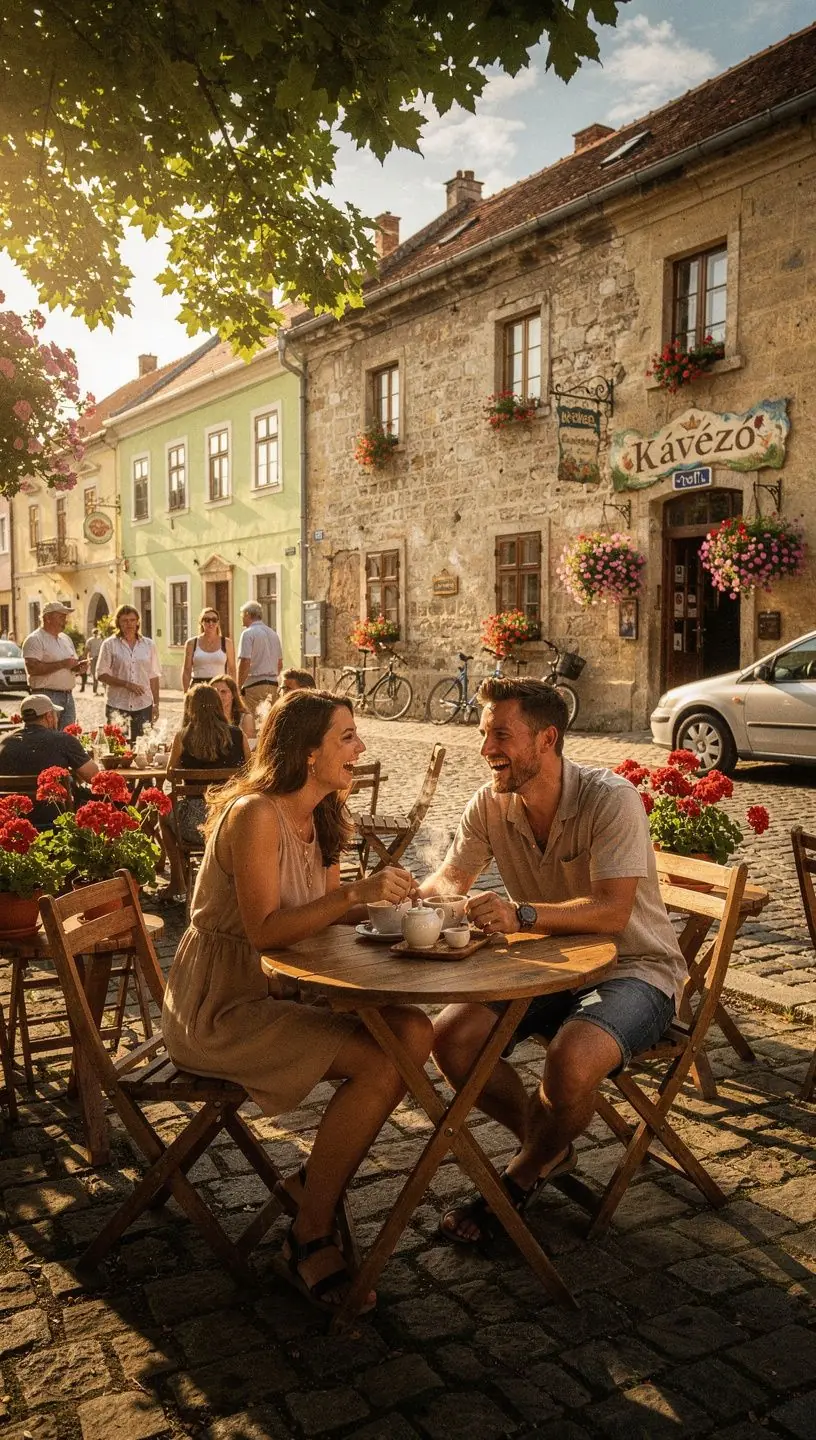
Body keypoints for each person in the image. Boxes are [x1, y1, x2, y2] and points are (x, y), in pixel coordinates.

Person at [161, 690, 432, 1311]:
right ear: (309, 753)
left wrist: (390, 906)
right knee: (378, 1059)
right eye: (348, 737)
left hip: (282, 987)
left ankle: (312, 1183)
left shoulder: (325, 814)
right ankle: (308, 1233)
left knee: (414, 1031)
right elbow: (265, 930)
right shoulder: (256, 813)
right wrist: (352, 896)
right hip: (220, 1005)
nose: (361, 748)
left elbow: (326, 924)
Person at [421, 677, 685, 1245]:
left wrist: (523, 916)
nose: (486, 747)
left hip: (635, 969)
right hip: (547, 966)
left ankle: (521, 1172)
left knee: (568, 1063)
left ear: (547, 739)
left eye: (500, 734)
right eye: (483, 731)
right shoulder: (489, 803)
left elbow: (613, 912)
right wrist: (408, 903)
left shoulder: (609, 798)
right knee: (449, 1038)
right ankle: (547, 1143)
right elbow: (450, 877)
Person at [162, 686, 250, 893]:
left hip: (192, 826)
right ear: (219, 706)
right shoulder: (237, 735)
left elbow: (170, 775)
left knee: (163, 810)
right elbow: (250, 773)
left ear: (190, 708)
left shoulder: (183, 736)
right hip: (230, 821)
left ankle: (177, 879)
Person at [0, 694, 99, 826]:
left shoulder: (4, 742)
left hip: (12, 822)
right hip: (53, 819)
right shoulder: (63, 740)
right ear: (49, 716)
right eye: (56, 715)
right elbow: (93, 776)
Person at [96, 605, 162, 743]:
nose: (129, 624)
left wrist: (156, 704)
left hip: (143, 703)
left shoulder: (149, 645)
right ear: (118, 622)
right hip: (118, 703)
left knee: (142, 746)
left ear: (138, 621)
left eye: (132, 620)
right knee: (118, 746)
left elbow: (154, 676)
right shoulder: (109, 644)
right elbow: (101, 674)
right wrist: (126, 684)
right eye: (125, 620)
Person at [22, 602, 88, 729]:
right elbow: (32, 669)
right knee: (47, 738)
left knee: (67, 738)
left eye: (65, 617)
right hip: (46, 696)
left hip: (68, 696)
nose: (65, 621)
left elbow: (69, 666)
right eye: (61, 617)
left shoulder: (66, 639)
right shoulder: (34, 639)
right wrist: (63, 664)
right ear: (48, 618)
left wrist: (78, 668)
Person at [236, 601, 282, 718]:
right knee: (268, 723)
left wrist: (238, 686)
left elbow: (245, 662)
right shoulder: (273, 634)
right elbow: (279, 663)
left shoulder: (248, 633)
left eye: (242, 615)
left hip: (254, 685)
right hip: (272, 684)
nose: (241, 618)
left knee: (251, 722)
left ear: (247, 614)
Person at [181, 608, 236, 690]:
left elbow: (232, 669)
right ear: (201, 622)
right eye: (207, 620)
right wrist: (186, 692)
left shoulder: (227, 643)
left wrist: (233, 691)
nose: (211, 623)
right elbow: (186, 670)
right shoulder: (192, 643)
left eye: (214, 620)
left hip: (219, 688)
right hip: (198, 688)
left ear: (218, 623)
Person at [210, 673, 255, 743]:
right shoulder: (207, 717)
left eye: (223, 691)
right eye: (215, 692)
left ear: (233, 695)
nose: (218, 695)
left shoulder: (245, 719)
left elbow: (251, 748)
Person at [84, 627, 104, 694]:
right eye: (94, 633)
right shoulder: (90, 640)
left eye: (96, 632)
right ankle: (95, 690)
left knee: (98, 673)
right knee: (94, 673)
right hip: (93, 658)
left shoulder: (100, 640)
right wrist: (87, 659)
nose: (95, 634)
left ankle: (97, 689)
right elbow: (87, 650)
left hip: (99, 658)